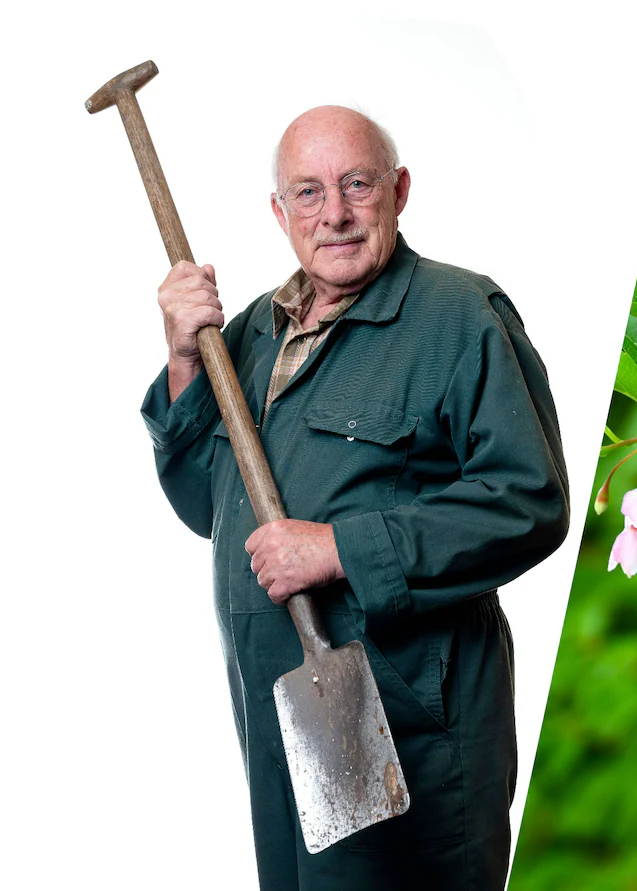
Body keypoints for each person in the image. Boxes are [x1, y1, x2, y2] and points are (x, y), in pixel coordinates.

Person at [140, 105, 570, 890]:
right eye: (307, 193)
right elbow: (210, 505)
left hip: (414, 727)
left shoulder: (458, 317)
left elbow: (529, 501)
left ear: (399, 190)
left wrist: (339, 548)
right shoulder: (250, 336)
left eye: (356, 184)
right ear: (280, 212)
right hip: (290, 722)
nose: (333, 212)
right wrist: (181, 362)